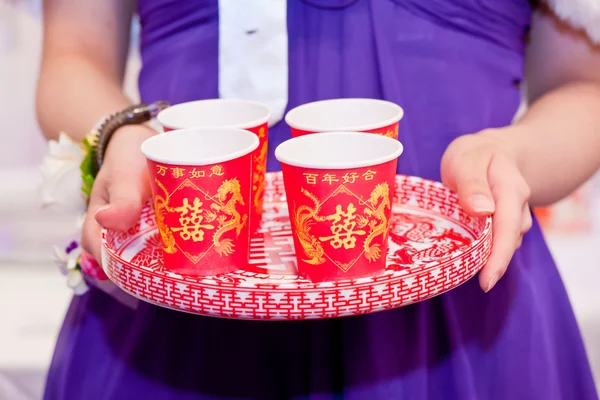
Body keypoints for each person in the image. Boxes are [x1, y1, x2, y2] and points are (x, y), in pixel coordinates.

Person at [37, 0, 600, 399]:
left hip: (468, 311)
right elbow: (74, 57)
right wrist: (120, 134)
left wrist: (511, 153)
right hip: (180, 288)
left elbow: (584, 86)